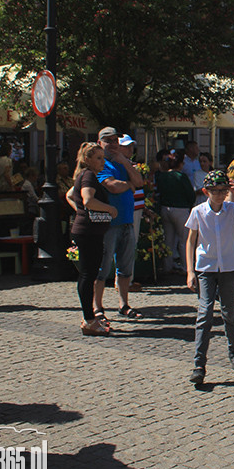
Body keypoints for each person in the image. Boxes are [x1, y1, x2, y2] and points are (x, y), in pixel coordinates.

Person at [186, 170, 234, 384]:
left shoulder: (232, 209)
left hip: (229, 267)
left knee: (229, 313)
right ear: (206, 191)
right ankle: (199, 363)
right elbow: (190, 240)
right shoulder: (198, 211)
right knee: (205, 312)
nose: (219, 195)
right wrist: (190, 271)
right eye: (215, 191)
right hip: (206, 267)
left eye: (223, 191)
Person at [65, 142, 119, 335]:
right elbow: (87, 200)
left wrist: (80, 211)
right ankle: (89, 319)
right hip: (88, 232)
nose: (102, 161)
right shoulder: (88, 175)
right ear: (87, 159)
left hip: (90, 231)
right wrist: (109, 209)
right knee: (88, 275)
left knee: (89, 273)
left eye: (103, 157)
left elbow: (70, 195)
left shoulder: (86, 176)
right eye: (98, 158)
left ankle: (90, 317)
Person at [93, 127, 146, 322]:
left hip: (126, 221)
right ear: (100, 143)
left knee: (125, 267)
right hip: (107, 224)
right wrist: (128, 185)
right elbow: (112, 186)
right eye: (108, 141)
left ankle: (123, 304)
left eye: (115, 140)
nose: (113, 144)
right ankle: (97, 307)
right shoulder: (100, 163)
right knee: (102, 268)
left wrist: (125, 162)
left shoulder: (122, 162)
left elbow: (139, 181)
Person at [156, 152, 195, 274]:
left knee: (168, 240)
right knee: (184, 240)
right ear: (180, 164)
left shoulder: (161, 176)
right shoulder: (181, 177)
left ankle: (167, 266)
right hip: (180, 209)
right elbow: (190, 194)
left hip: (165, 208)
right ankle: (186, 267)